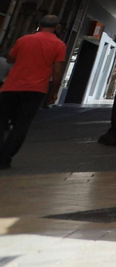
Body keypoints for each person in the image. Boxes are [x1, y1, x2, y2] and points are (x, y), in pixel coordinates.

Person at [0, 15, 68, 169]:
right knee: (22, 124)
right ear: (57, 27)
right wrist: (54, 92)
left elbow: (10, 58)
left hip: (12, 86)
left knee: (1, 119)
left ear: (39, 25)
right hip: (36, 89)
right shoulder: (59, 45)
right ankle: (4, 157)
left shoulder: (24, 40)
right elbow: (57, 72)